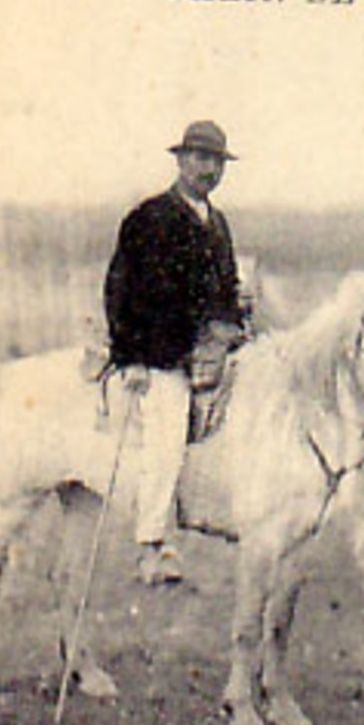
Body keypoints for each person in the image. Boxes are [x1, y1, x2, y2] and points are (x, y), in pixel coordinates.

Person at [104, 120, 247, 585]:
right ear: (181, 161)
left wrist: (233, 322)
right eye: (200, 159)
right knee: (166, 434)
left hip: (211, 352)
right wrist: (133, 357)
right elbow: (121, 289)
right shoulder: (150, 217)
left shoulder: (218, 222)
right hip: (161, 355)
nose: (208, 169)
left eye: (216, 162)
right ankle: (152, 544)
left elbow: (226, 289)